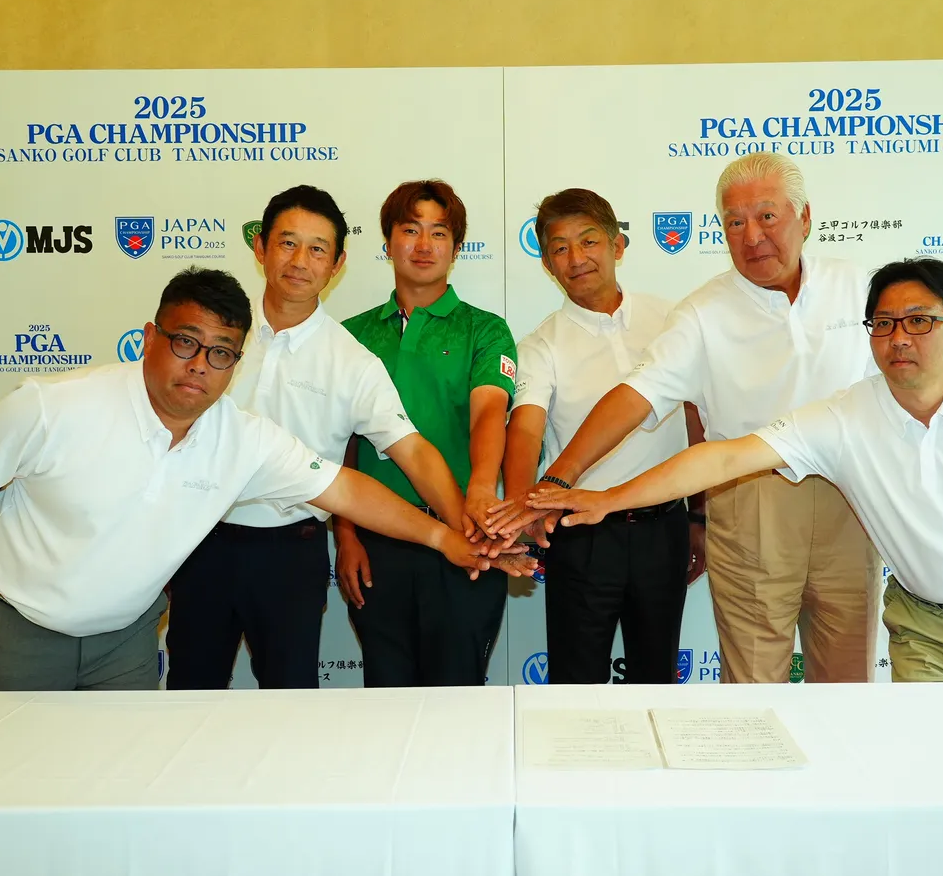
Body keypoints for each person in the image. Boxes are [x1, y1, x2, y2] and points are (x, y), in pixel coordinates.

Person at [518, 258, 943, 683]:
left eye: (919, 321)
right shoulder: (846, 417)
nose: (900, 338)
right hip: (926, 636)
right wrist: (606, 497)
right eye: (884, 324)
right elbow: (723, 457)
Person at [0, 268, 511, 692]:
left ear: (236, 365)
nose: (199, 365)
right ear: (149, 338)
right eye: (185, 342)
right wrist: (28, 535)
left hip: (125, 642)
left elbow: (346, 489)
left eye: (220, 354)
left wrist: (444, 538)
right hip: (16, 624)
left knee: (120, 787)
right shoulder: (56, 405)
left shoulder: (241, 438)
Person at [491, 151, 878, 684]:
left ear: (804, 217)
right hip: (743, 499)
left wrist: (692, 517)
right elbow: (633, 397)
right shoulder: (700, 312)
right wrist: (553, 483)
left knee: (848, 684)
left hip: (849, 502)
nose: (752, 235)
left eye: (767, 216)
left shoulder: (861, 288)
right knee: (750, 686)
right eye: (735, 222)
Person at [164, 186, 473, 691]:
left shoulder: (351, 360)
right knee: (189, 695)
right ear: (260, 247)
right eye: (287, 243)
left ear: (337, 264)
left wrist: (464, 532)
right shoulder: (213, 336)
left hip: (290, 554)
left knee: (291, 705)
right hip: (200, 541)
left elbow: (412, 450)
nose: (299, 261)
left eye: (317, 249)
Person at [493, 188, 705, 684]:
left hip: (664, 527)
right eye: (560, 248)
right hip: (581, 536)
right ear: (546, 263)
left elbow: (696, 418)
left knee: (657, 678)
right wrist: (525, 504)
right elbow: (525, 427)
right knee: (576, 682)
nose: (576, 258)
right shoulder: (540, 344)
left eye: (588, 241)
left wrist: (698, 516)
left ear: (618, 245)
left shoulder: (671, 319)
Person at [338, 179, 518, 687]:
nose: (423, 245)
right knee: (387, 695)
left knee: (458, 697)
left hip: (464, 533)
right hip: (376, 544)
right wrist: (345, 535)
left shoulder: (484, 330)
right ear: (387, 242)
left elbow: (490, 412)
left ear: (456, 248)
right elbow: (339, 445)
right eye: (410, 230)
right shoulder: (350, 336)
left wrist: (480, 489)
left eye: (438, 233)